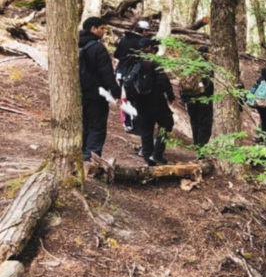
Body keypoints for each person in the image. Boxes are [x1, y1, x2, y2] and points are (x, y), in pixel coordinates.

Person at [128, 37, 175, 165]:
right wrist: (170, 96)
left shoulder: (133, 61)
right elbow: (163, 80)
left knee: (146, 129)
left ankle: (148, 158)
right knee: (167, 124)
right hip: (156, 101)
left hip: (140, 102)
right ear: (149, 48)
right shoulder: (154, 62)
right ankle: (157, 154)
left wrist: (132, 99)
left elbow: (128, 81)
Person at [79, 16, 120, 161]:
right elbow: (107, 73)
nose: (103, 32)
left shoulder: (75, 44)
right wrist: (116, 92)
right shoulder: (97, 48)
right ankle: (92, 157)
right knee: (97, 126)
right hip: (97, 94)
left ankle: (82, 152)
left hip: (79, 93)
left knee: (83, 124)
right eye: (102, 28)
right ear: (93, 28)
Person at [180, 46, 214, 149]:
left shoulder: (189, 66)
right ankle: (201, 148)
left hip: (190, 99)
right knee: (205, 124)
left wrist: (184, 98)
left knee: (194, 122)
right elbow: (211, 84)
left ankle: (196, 144)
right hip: (205, 100)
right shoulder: (208, 67)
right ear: (207, 55)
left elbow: (182, 83)